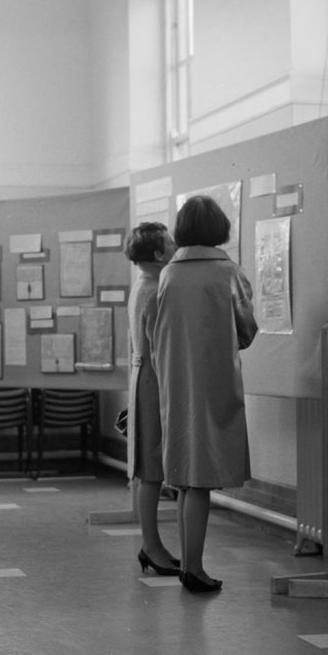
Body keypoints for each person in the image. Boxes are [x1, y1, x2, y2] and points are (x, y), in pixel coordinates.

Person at [152, 196, 258, 593]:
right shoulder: (227, 271)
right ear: (220, 229)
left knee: (183, 474)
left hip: (175, 381)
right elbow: (245, 331)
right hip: (214, 381)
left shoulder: (169, 274)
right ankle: (193, 567)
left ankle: (189, 562)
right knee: (200, 479)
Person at [124, 222, 180, 576]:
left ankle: (153, 545)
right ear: (159, 253)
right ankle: (151, 545)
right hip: (153, 380)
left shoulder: (142, 283)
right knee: (151, 470)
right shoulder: (155, 288)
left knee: (150, 469)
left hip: (142, 375)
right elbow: (160, 347)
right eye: (170, 241)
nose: (176, 244)